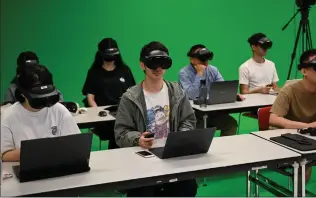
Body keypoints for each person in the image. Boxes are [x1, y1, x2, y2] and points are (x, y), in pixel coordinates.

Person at [114, 41, 198, 197]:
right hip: (142, 161)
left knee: (188, 187)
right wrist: (138, 139)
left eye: (163, 63)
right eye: (153, 63)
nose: (158, 68)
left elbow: (188, 120)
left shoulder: (177, 92)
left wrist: (180, 137)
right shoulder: (130, 97)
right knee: (142, 193)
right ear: (142, 65)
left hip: (173, 158)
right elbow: (121, 132)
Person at [269, 49, 316, 197]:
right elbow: (273, 119)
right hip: (287, 140)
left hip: (313, 138)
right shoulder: (290, 89)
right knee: (305, 168)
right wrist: (306, 125)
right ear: (304, 71)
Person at [1, 64, 80, 162]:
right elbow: (4, 155)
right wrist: (39, 151)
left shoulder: (59, 110)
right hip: (25, 167)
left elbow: (76, 144)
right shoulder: (9, 116)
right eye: (38, 97)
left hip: (57, 165)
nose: (44, 100)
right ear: (22, 94)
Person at [82, 38, 136, 149]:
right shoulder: (94, 72)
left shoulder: (125, 70)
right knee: (116, 129)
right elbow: (90, 97)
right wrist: (98, 112)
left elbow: (133, 93)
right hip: (102, 115)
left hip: (122, 111)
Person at [178, 44, 242, 136]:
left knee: (231, 124)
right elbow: (191, 95)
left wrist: (232, 95)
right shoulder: (183, 73)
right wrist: (200, 74)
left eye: (207, 59)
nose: (206, 62)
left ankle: (225, 148)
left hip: (212, 112)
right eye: (202, 59)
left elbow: (222, 88)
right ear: (191, 59)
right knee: (200, 133)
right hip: (194, 115)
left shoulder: (213, 70)